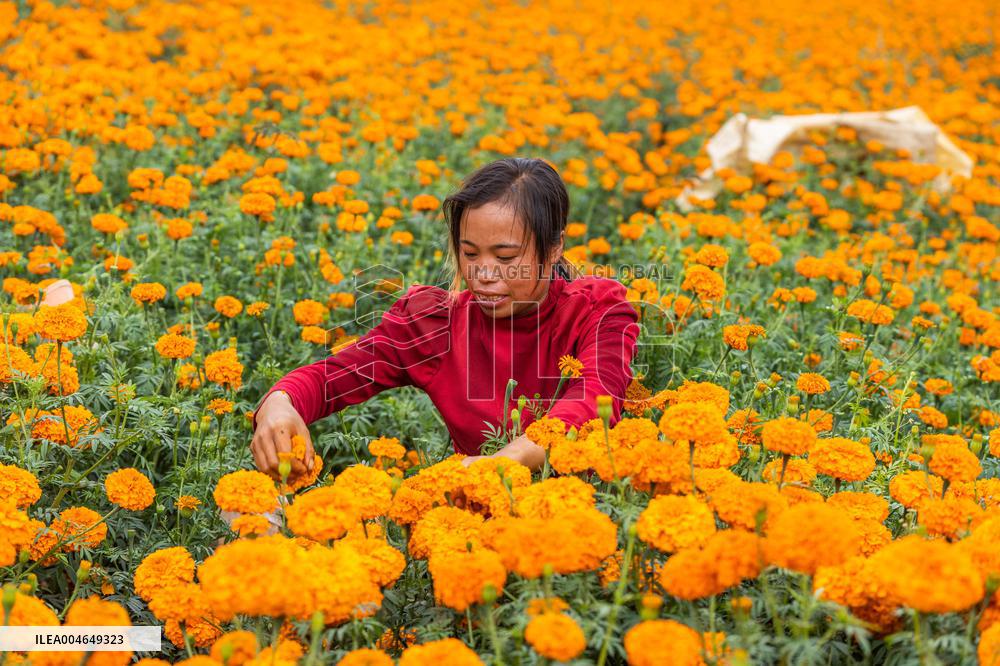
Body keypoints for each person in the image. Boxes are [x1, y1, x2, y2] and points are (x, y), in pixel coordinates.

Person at [250, 157, 640, 478]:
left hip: (589, 513)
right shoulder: (434, 325)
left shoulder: (597, 311)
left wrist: (508, 461)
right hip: (476, 521)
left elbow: (595, 399)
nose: (484, 274)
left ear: (555, 248)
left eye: (505, 258)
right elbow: (329, 378)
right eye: (470, 254)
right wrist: (280, 404)